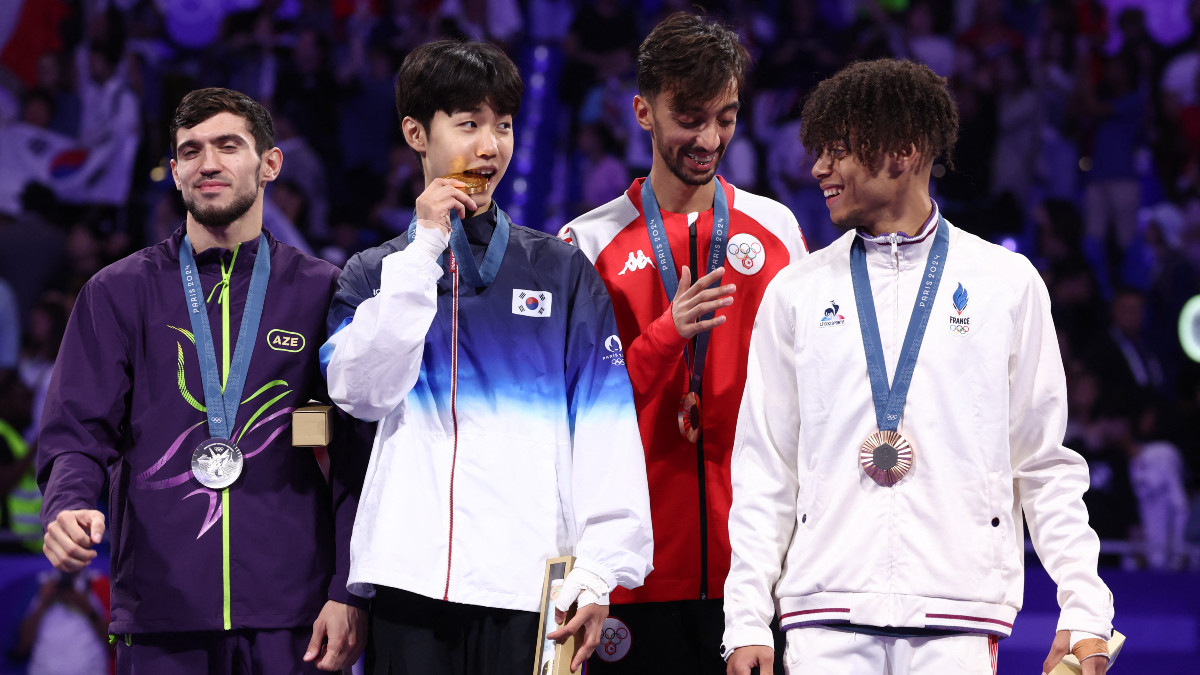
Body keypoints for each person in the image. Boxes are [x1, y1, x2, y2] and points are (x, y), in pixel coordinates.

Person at [723, 59, 1115, 675]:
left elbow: (1042, 462)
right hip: (824, 615)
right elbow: (765, 466)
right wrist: (746, 618)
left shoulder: (1005, 284)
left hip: (957, 613)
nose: (819, 168)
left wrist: (1085, 608)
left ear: (903, 151)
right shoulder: (794, 292)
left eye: (839, 150)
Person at [320, 40, 653, 675]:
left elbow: (606, 430)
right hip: (407, 581)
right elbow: (360, 393)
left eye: (501, 125)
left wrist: (599, 571)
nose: (490, 146)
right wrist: (420, 256)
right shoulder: (374, 274)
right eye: (468, 124)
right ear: (417, 134)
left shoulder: (560, 271)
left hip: (527, 584)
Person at [37, 87, 367, 674]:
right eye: (190, 151)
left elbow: (353, 455)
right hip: (162, 611)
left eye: (227, 145)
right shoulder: (118, 293)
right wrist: (66, 505)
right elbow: (77, 431)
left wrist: (347, 589)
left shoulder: (323, 291)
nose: (207, 163)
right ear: (174, 171)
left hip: (293, 612)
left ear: (270, 163)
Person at [558, 12, 808, 673]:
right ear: (643, 110)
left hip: (755, 579)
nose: (709, 137)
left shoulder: (776, 230)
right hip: (632, 577)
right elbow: (570, 413)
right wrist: (664, 336)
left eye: (725, 117)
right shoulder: (587, 244)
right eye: (689, 116)